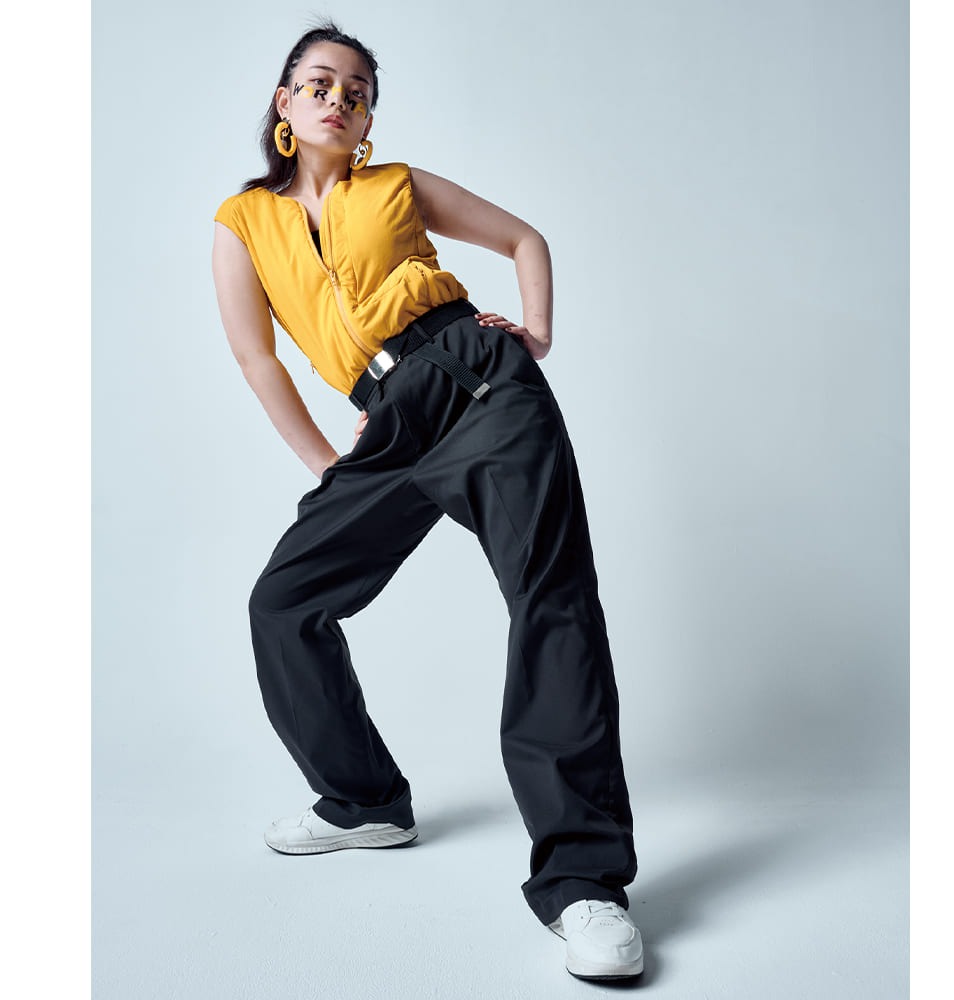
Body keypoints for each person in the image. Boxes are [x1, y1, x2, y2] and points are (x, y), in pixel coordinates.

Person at [211, 19, 643, 981]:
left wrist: (533, 330)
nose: (338, 98)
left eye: (357, 90)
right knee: (284, 602)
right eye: (319, 83)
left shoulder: (397, 185)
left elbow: (523, 237)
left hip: (479, 378)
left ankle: (584, 883)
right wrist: (330, 463)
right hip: (386, 420)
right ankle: (364, 803)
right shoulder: (242, 222)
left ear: (367, 118)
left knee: (551, 600)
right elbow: (257, 358)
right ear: (284, 103)